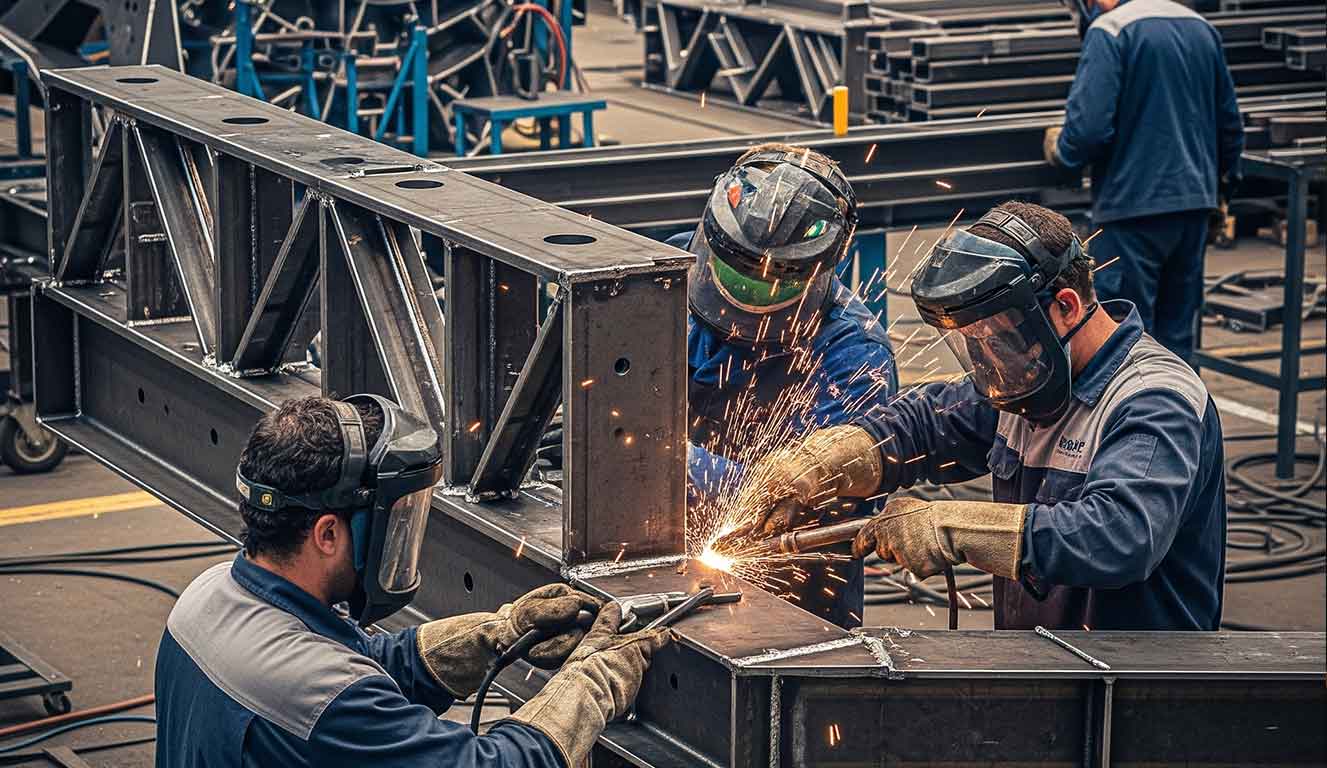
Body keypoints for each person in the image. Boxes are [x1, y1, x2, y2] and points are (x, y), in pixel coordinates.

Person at [733, 201, 1226, 631]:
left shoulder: (1153, 399)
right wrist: (824, 462)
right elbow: (925, 425)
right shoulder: (1031, 379)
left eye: (998, 339)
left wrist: (954, 527)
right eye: (975, 343)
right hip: (1047, 673)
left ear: (1066, 307)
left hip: (1138, 688)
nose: (988, 360)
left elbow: (1119, 535)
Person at [155, 394, 669, 767]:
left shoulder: (205, 598)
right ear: (328, 534)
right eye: (389, 521)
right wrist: (590, 684)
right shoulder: (321, 699)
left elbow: (357, 664)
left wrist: (496, 635)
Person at [672, 142, 897, 629]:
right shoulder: (677, 272)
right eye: (735, 277)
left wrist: (674, 465)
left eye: (763, 288)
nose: (742, 302)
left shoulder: (854, 355)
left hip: (792, 596)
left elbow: (818, 502)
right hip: (660, 557)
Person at [1043, 0, 1244, 363]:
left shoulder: (1110, 31)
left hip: (1131, 212)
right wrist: (1221, 192)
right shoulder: (1200, 27)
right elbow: (1230, 125)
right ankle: (1180, 402)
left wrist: (1062, 149)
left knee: (1124, 344)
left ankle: (1136, 403)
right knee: (1176, 344)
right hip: (1193, 210)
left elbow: (1089, 130)